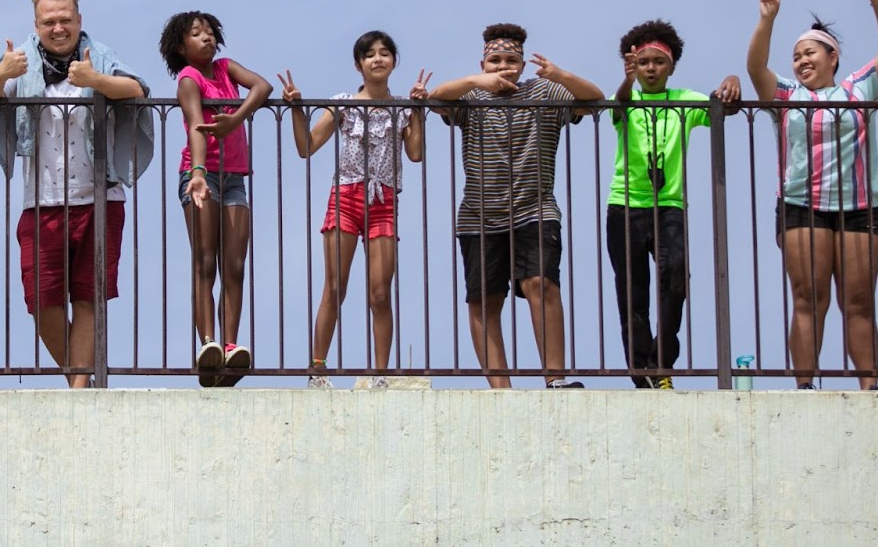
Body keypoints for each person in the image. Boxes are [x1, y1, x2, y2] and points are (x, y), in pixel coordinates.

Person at [0, 0, 153, 388]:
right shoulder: (21, 63)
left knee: (88, 297)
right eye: (49, 21)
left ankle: (77, 391)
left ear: (79, 20)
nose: (58, 28)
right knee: (42, 300)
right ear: (36, 25)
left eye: (65, 19)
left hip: (100, 197)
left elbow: (137, 89)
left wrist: (94, 80)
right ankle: (82, 380)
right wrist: (0, 73)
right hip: (42, 200)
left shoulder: (99, 59)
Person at [746, 0, 878, 391]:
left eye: (810, 53)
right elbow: (755, 66)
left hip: (857, 205)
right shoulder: (786, 95)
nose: (801, 61)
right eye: (796, 56)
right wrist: (768, 19)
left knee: (858, 302)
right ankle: (804, 387)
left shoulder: (858, 89)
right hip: (801, 205)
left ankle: (870, 389)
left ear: (833, 57)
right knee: (809, 300)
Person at [430, 23, 602, 389]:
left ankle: (555, 379)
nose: (503, 66)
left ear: (523, 65)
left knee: (541, 283)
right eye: (495, 60)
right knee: (483, 301)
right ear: (483, 62)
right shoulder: (472, 96)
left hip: (535, 208)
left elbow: (594, 101)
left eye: (511, 60)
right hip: (478, 216)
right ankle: (500, 390)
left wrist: (561, 74)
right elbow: (436, 99)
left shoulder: (545, 91)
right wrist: (478, 81)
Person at [278, 32, 430, 389]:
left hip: (383, 201)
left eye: (385, 53)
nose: (378, 59)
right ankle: (317, 369)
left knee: (380, 291)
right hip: (346, 195)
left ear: (394, 61)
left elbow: (416, 154)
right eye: (370, 55)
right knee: (334, 285)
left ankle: (380, 373)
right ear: (358, 64)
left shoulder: (403, 108)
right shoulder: (344, 103)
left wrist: (419, 111)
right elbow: (307, 146)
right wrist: (296, 109)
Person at [607, 20, 741, 389]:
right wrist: (626, 80)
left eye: (658, 62)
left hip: (668, 207)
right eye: (643, 62)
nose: (650, 69)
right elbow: (618, 105)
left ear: (672, 66)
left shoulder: (685, 99)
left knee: (676, 278)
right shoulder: (627, 98)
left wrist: (732, 80)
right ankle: (642, 373)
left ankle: (662, 363)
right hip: (624, 206)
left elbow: (722, 109)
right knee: (632, 293)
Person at [159, 11, 273, 387]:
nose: (206, 38)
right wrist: (198, 174)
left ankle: (229, 346)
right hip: (200, 177)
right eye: (196, 34)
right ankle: (207, 346)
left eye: (209, 32)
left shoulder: (225, 68)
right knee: (205, 262)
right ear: (181, 46)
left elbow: (262, 87)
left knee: (235, 265)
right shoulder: (188, 79)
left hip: (236, 178)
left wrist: (235, 120)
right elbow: (195, 126)